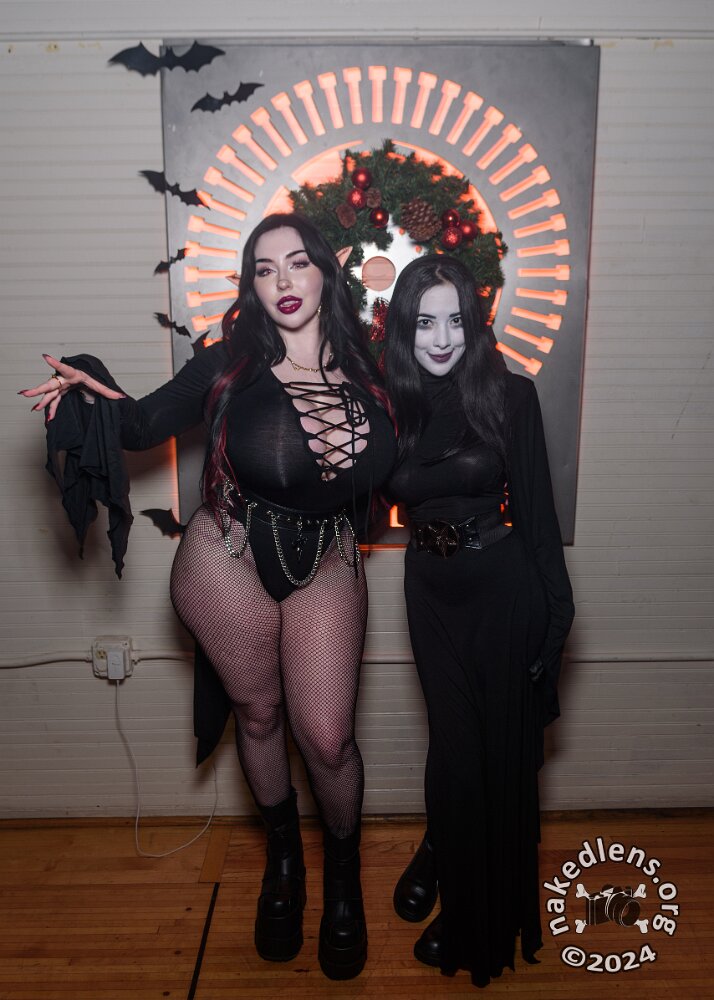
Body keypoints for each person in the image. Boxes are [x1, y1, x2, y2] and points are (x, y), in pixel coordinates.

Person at [19, 212, 397, 981]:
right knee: (258, 715)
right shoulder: (229, 362)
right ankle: (284, 863)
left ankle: (343, 878)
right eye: (265, 268)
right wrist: (87, 384)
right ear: (252, 285)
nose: (283, 281)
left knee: (327, 739)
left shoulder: (371, 368)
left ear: (326, 271)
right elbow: (140, 422)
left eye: (297, 262)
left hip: (327, 557)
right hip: (229, 553)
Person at [384, 255, 574, 988]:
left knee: (495, 762)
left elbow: (538, 517)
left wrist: (556, 619)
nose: (441, 338)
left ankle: (473, 919)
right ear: (403, 327)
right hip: (430, 594)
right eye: (424, 322)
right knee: (456, 760)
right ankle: (448, 864)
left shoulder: (509, 396)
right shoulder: (392, 404)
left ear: (476, 322)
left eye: (455, 320)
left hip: (502, 590)